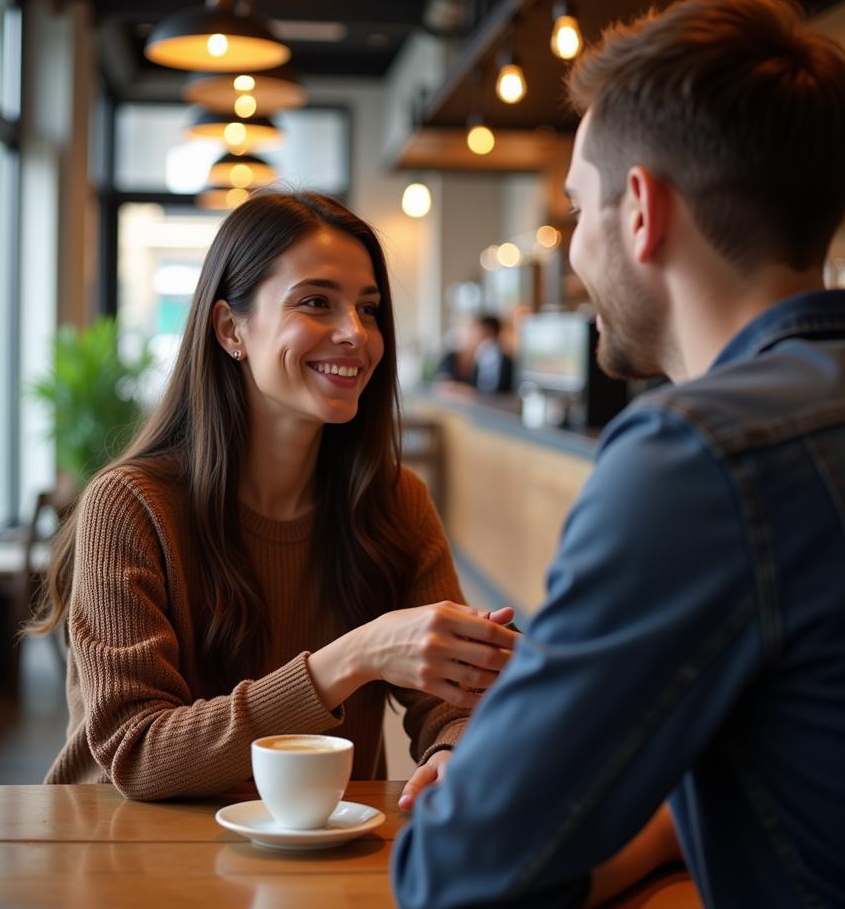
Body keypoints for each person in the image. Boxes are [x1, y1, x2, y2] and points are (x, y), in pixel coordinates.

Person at [392, 0, 845, 909]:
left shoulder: (699, 455)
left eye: (578, 206)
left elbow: (458, 882)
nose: (573, 251)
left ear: (642, 210)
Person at [28, 191, 517, 802]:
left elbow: (453, 696)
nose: (355, 335)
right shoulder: (130, 507)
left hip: (315, 852)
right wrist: (353, 657)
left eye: (368, 310)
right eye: (316, 302)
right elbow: (139, 753)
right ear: (231, 328)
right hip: (124, 854)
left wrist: (454, 749)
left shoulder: (392, 500)